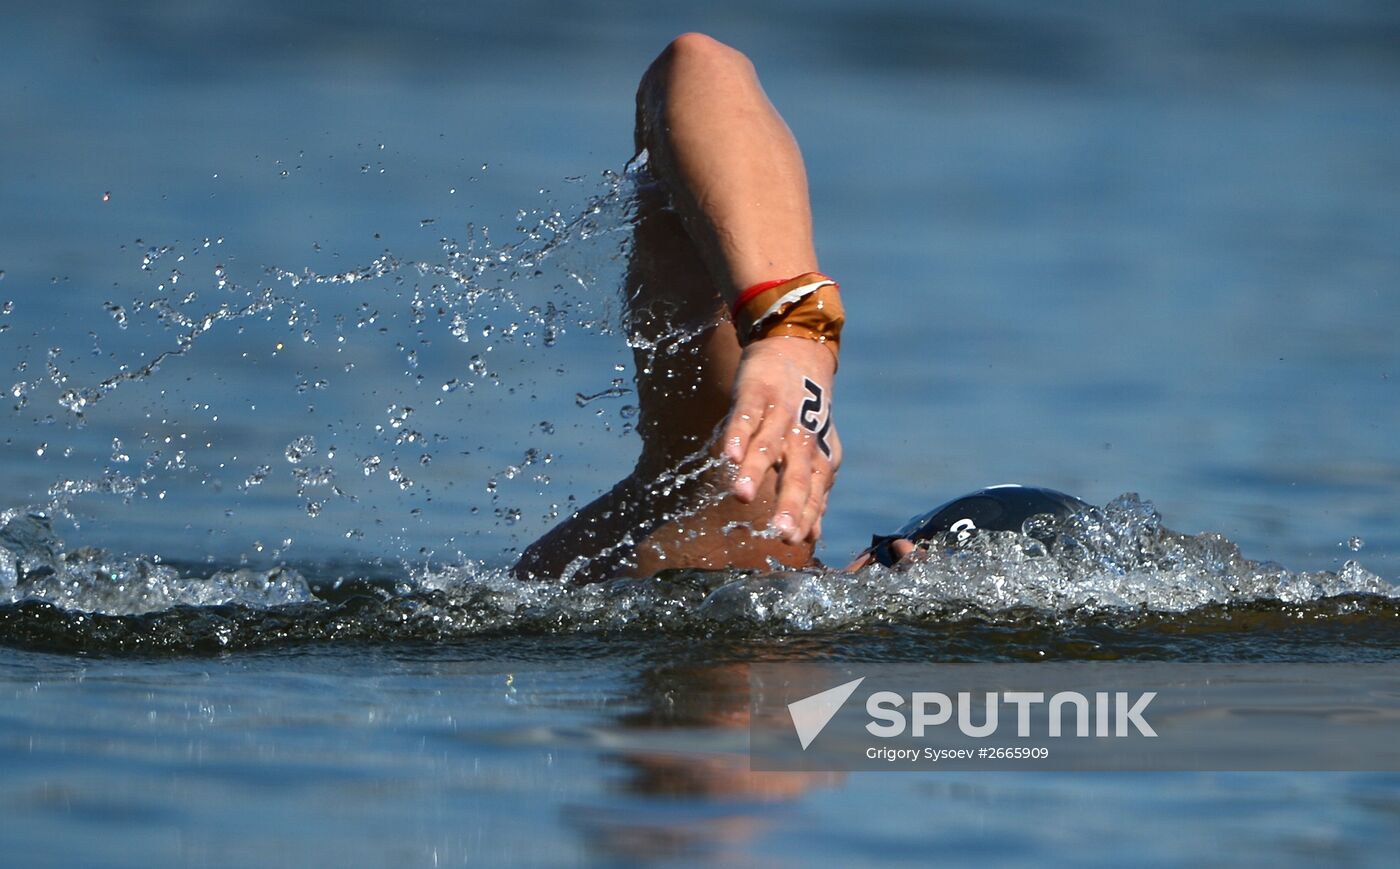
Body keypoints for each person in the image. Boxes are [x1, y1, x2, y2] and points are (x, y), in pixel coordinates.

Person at [514, 34, 1085, 583]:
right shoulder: (748, 536)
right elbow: (698, 68)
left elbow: (698, 66)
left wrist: (793, 329)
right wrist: (792, 327)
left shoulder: (745, 531)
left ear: (893, 551)